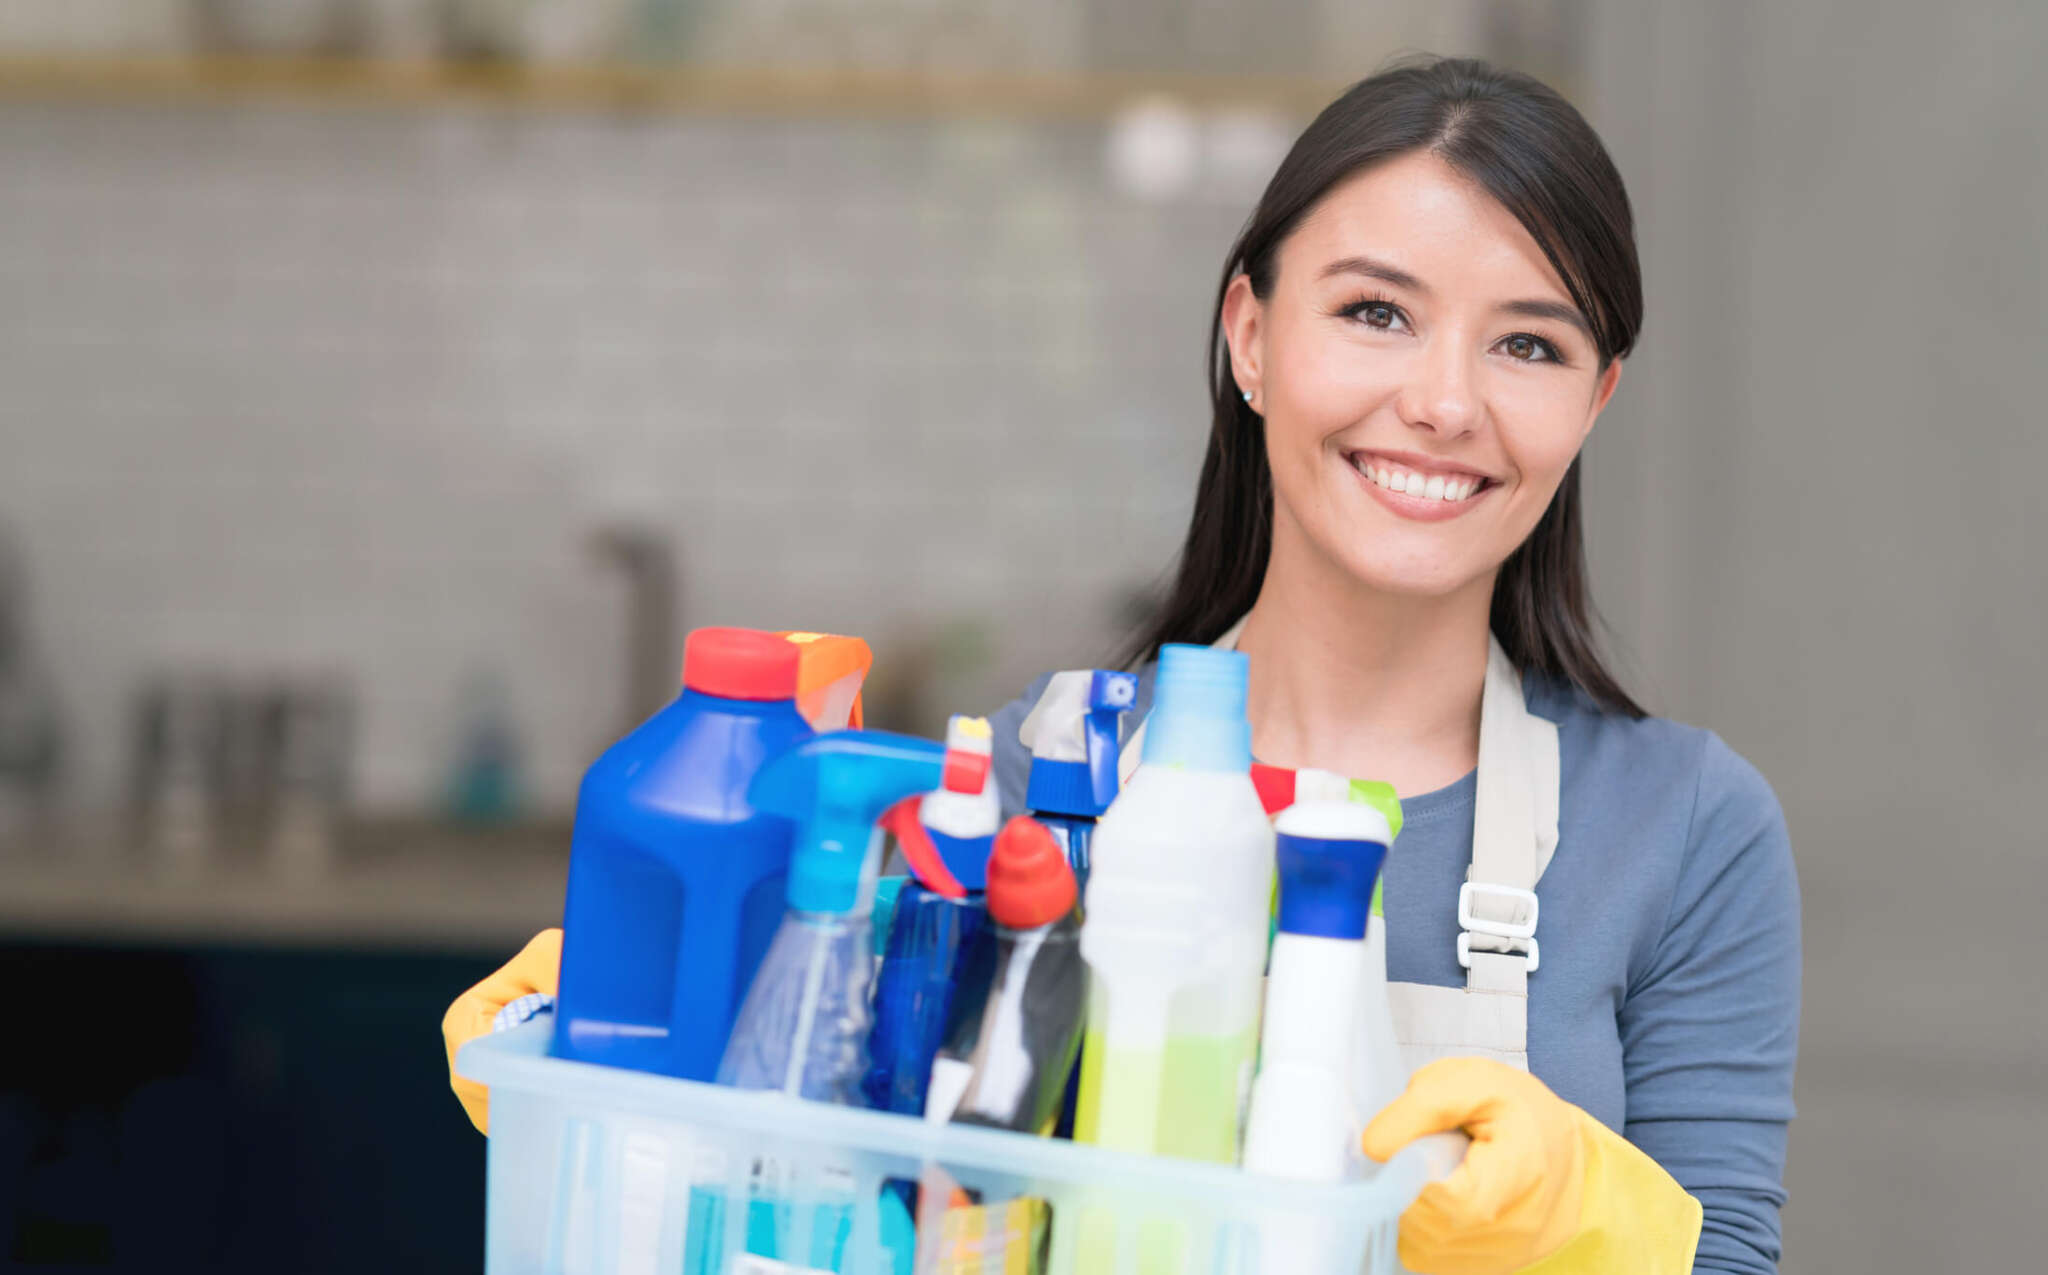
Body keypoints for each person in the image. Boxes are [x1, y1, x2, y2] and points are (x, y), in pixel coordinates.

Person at [444, 57, 1799, 1275]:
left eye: (1528, 343)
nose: (1446, 402)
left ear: (1594, 399)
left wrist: (1590, 1230)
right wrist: (630, 1085)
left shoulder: (1680, 831)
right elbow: (854, 1221)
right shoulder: (1037, 783)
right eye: (1376, 312)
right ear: (1252, 337)